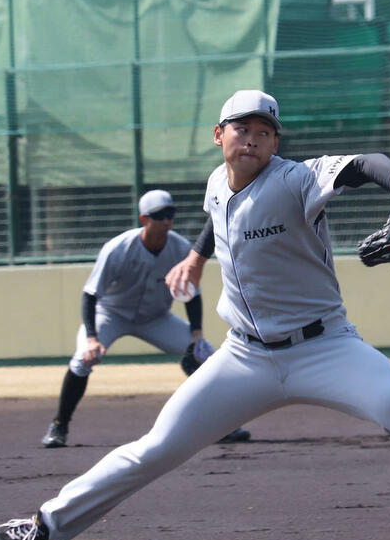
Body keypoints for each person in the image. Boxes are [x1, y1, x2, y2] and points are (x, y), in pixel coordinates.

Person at [0, 90, 390, 540]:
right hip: (243, 360)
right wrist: (199, 258)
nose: (251, 138)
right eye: (240, 128)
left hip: (325, 347)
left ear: (275, 142)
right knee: (156, 447)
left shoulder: (297, 180)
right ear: (219, 135)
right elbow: (219, 217)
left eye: (263, 130)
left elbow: (367, 162)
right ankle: (44, 523)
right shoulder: (214, 183)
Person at [40, 188, 250, 448]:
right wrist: (92, 339)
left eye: (170, 214)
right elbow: (90, 295)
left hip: (155, 318)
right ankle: (59, 426)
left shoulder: (179, 247)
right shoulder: (118, 248)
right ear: (144, 219)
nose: (166, 221)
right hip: (111, 314)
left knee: (204, 357)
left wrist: (196, 335)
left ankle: (222, 426)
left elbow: (192, 294)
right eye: (159, 215)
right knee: (83, 359)